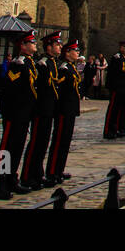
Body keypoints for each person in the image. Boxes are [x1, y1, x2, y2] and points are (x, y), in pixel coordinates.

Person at [0, 32, 38, 200]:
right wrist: (10, 112)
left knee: (17, 149)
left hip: (25, 113)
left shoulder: (30, 63)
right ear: (23, 45)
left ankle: (11, 179)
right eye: (31, 42)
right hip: (14, 113)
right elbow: (12, 90)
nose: (34, 45)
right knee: (6, 151)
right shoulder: (18, 64)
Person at [21, 31, 62, 189]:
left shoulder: (52, 63)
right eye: (57, 44)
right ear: (49, 47)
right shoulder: (42, 64)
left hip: (49, 109)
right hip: (40, 110)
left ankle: (37, 174)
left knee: (43, 144)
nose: (60, 47)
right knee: (35, 145)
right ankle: (27, 176)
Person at [44, 40, 82, 184]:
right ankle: (52, 171)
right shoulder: (64, 68)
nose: (77, 53)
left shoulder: (71, 67)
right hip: (63, 109)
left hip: (70, 109)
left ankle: (59, 169)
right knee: (59, 141)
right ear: (68, 53)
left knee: (65, 141)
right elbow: (58, 89)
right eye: (75, 50)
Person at [103, 41, 125, 139]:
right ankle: (108, 130)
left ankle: (115, 128)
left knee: (117, 110)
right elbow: (113, 74)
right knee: (112, 110)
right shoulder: (116, 58)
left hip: (121, 88)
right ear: (121, 47)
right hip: (116, 88)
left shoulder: (123, 58)